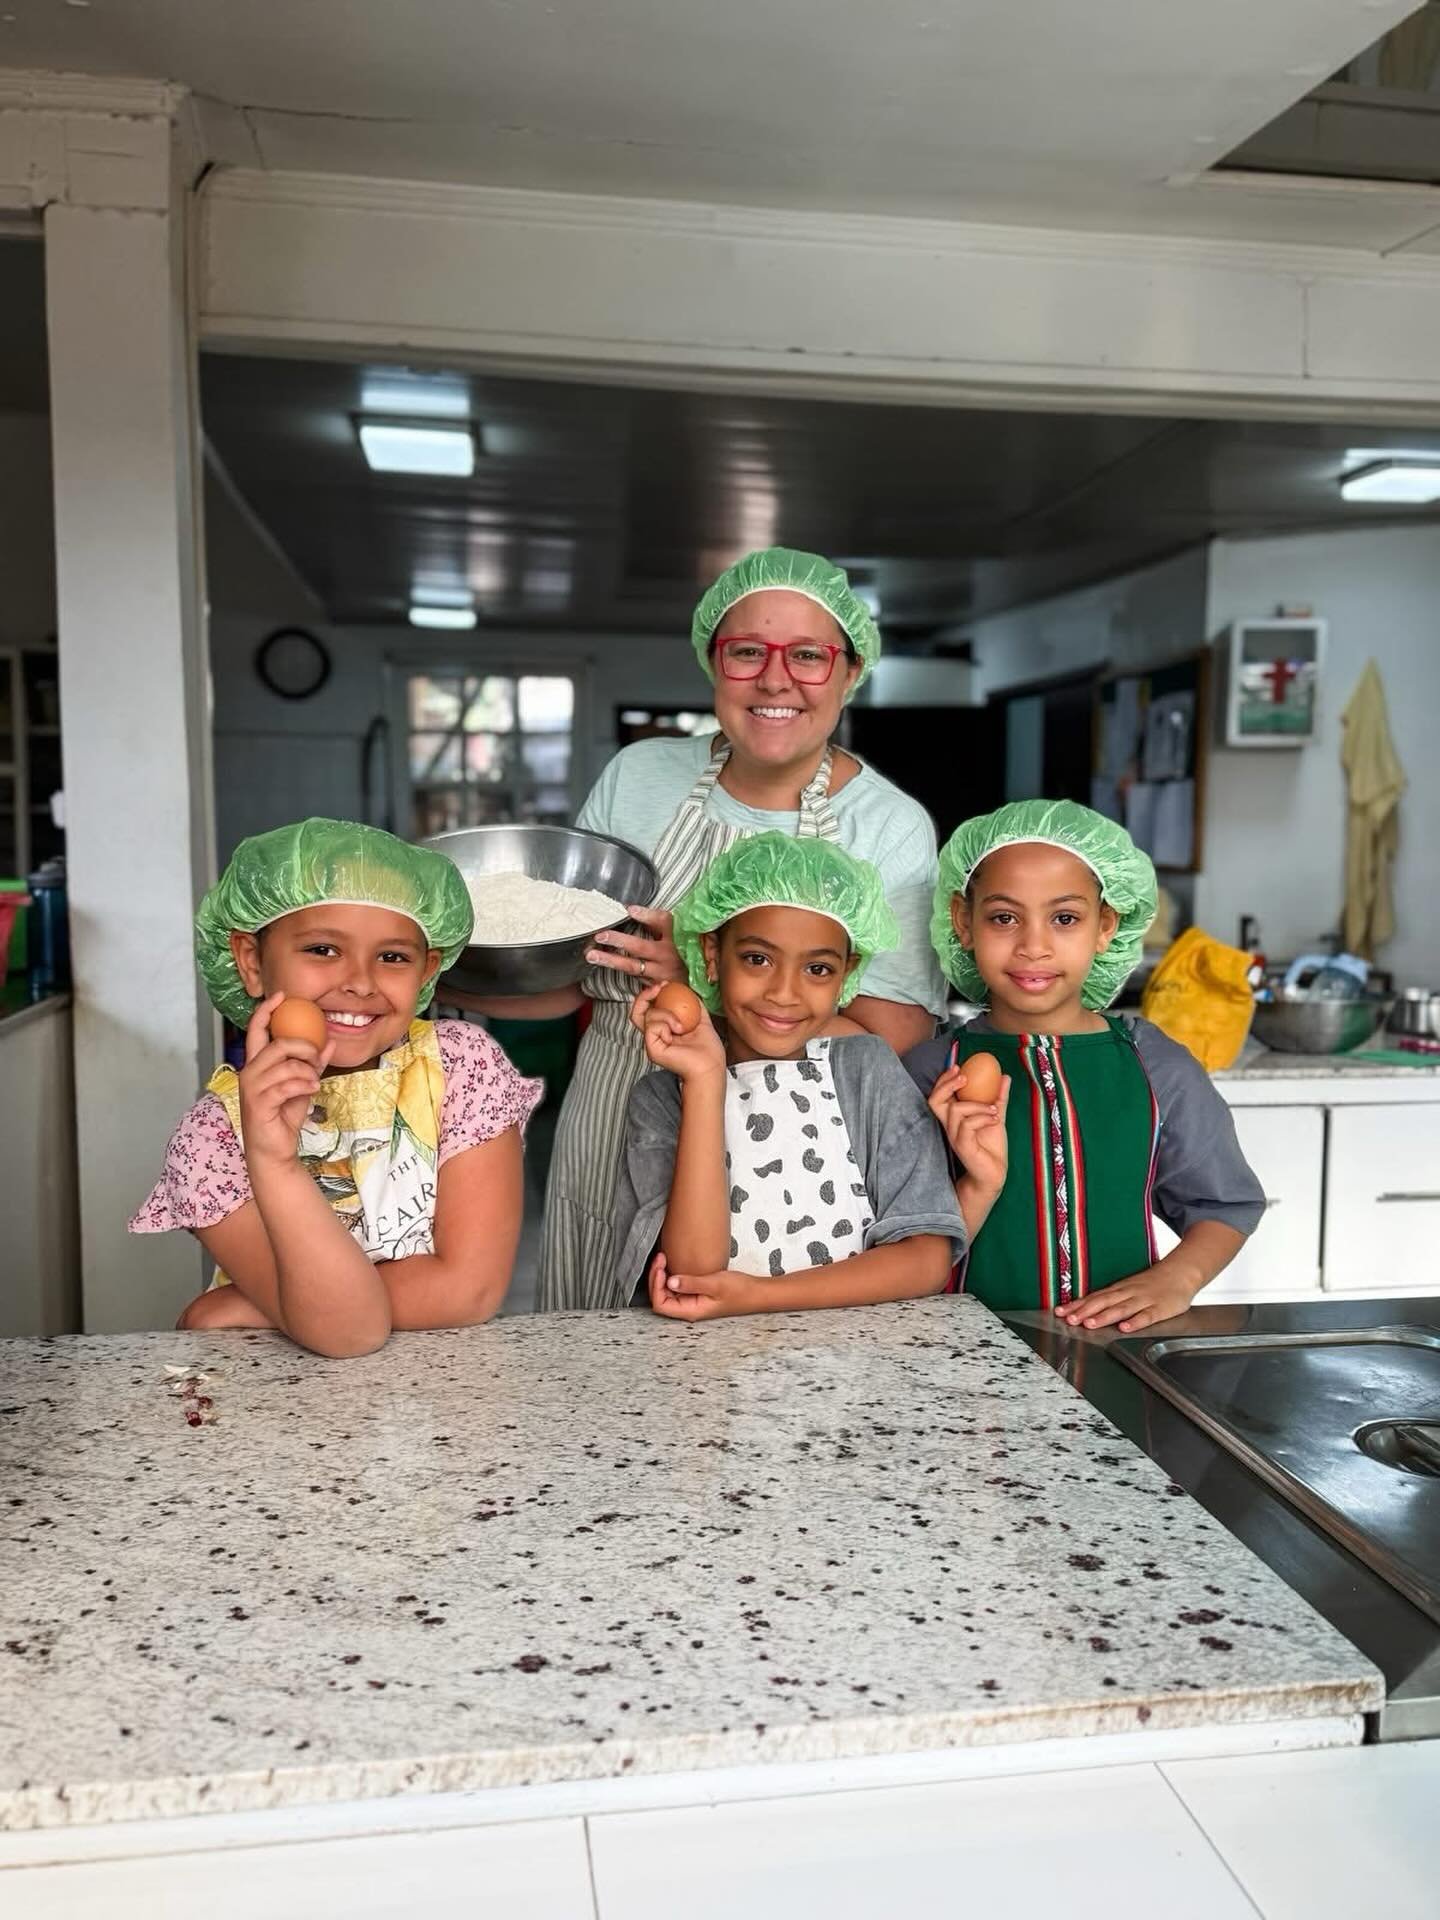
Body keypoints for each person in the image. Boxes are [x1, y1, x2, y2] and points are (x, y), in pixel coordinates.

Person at [453, 547, 948, 1312]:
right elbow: (570, 975)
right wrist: (433, 972)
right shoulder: (640, 778)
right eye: (747, 651)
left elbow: (896, 1034)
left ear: (850, 673)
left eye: (809, 656)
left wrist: (703, 979)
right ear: (713, 663)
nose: (776, 679)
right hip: (613, 1119)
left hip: (789, 1159)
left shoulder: (887, 825)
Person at [131, 818, 541, 1357]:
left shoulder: (460, 1068)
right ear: (251, 961)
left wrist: (264, 1307)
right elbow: (349, 1334)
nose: (361, 982)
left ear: (427, 971)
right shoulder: (212, 1141)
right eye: (323, 949)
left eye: (393, 957)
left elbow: (469, 1291)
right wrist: (273, 1159)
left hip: (451, 1408)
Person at [904, 800, 1265, 1332]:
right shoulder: (929, 1071)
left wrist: (1177, 1279)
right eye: (1004, 917)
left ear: (1105, 927)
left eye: (1065, 918)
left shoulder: (1155, 1064)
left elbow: (1223, 1203)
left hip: (1118, 1353)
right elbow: (898, 1243)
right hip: (962, 1358)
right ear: (963, 922)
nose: (1033, 946)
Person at [609, 833, 967, 1319]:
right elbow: (692, 1269)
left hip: (863, 1372)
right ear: (712, 955)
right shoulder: (661, 1098)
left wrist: (757, 1296)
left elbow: (925, 1259)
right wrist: (706, 1080)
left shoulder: (867, 1071)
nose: (783, 993)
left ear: (846, 975)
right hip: (715, 1373)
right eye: (758, 959)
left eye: (818, 969)